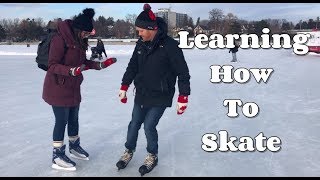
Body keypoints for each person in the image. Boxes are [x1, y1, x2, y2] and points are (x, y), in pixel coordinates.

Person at [115, 4, 191, 176]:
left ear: (152, 29)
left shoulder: (170, 46)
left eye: (141, 30)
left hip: (161, 95)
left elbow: (183, 72)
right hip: (142, 92)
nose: (139, 34)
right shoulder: (141, 44)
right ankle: (129, 151)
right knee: (134, 124)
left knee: (149, 125)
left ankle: (152, 155)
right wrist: (124, 85)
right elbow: (132, 66)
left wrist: (183, 96)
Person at [42, 8, 117, 171]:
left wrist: (100, 65)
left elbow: (83, 63)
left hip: (74, 87)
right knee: (61, 121)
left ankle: (74, 146)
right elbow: (52, 65)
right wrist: (71, 71)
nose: (87, 36)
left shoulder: (79, 41)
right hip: (58, 87)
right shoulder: (59, 39)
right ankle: (57, 155)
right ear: (78, 29)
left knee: (74, 118)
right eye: (86, 32)